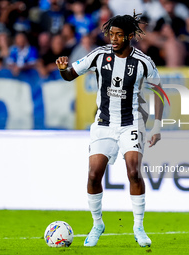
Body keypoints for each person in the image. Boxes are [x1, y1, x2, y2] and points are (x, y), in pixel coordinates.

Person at [56, 12, 163, 247]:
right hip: (103, 124)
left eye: (118, 35)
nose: (113, 39)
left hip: (131, 123)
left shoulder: (144, 62)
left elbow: (159, 92)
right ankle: (97, 224)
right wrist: (63, 69)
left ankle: (139, 226)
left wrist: (156, 126)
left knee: (134, 171)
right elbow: (70, 75)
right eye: (110, 34)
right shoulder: (99, 55)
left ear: (130, 36)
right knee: (94, 175)